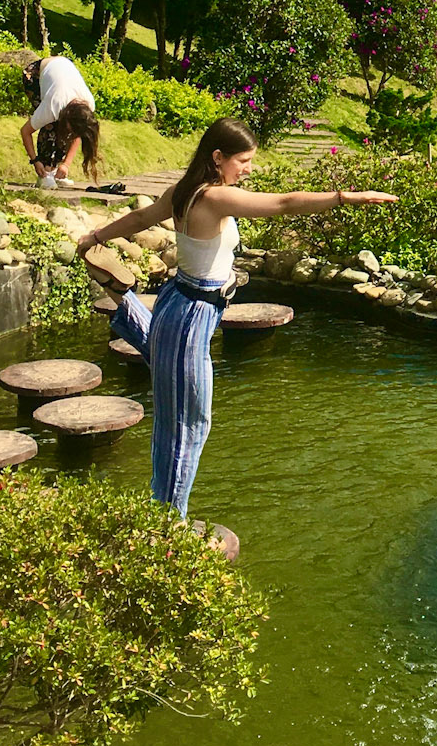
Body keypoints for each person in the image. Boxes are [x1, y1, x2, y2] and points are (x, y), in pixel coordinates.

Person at [77, 119, 396, 516]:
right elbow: (283, 203)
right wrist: (345, 197)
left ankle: (121, 297)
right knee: (188, 426)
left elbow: (142, 220)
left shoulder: (183, 191)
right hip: (191, 311)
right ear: (218, 157)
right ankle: (166, 524)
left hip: (183, 303)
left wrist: (97, 237)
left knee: (169, 376)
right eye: (243, 161)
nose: (248, 169)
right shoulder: (213, 198)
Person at [19, 54, 100, 187]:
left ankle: (56, 171)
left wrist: (66, 164)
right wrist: (35, 160)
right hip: (35, 74)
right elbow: (25, 131)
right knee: (50, 126)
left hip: (61, 70)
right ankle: (45, 172)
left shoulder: (88, 106)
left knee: (64, 130)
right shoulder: (52, 106)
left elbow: (77, 134)